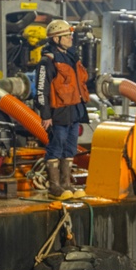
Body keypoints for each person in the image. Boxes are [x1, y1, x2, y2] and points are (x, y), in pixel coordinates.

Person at [36, 19, 89, 200]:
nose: (70, 39)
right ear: (56, 39)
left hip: (74, 111)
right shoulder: (47, 61)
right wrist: (45, 115)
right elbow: (41, 89)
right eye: (67, 36)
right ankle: (54, 186)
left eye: (70, 35)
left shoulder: (72, 58)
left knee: (70, 148)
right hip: (58, 113)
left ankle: (66, 184)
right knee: (56, 147)